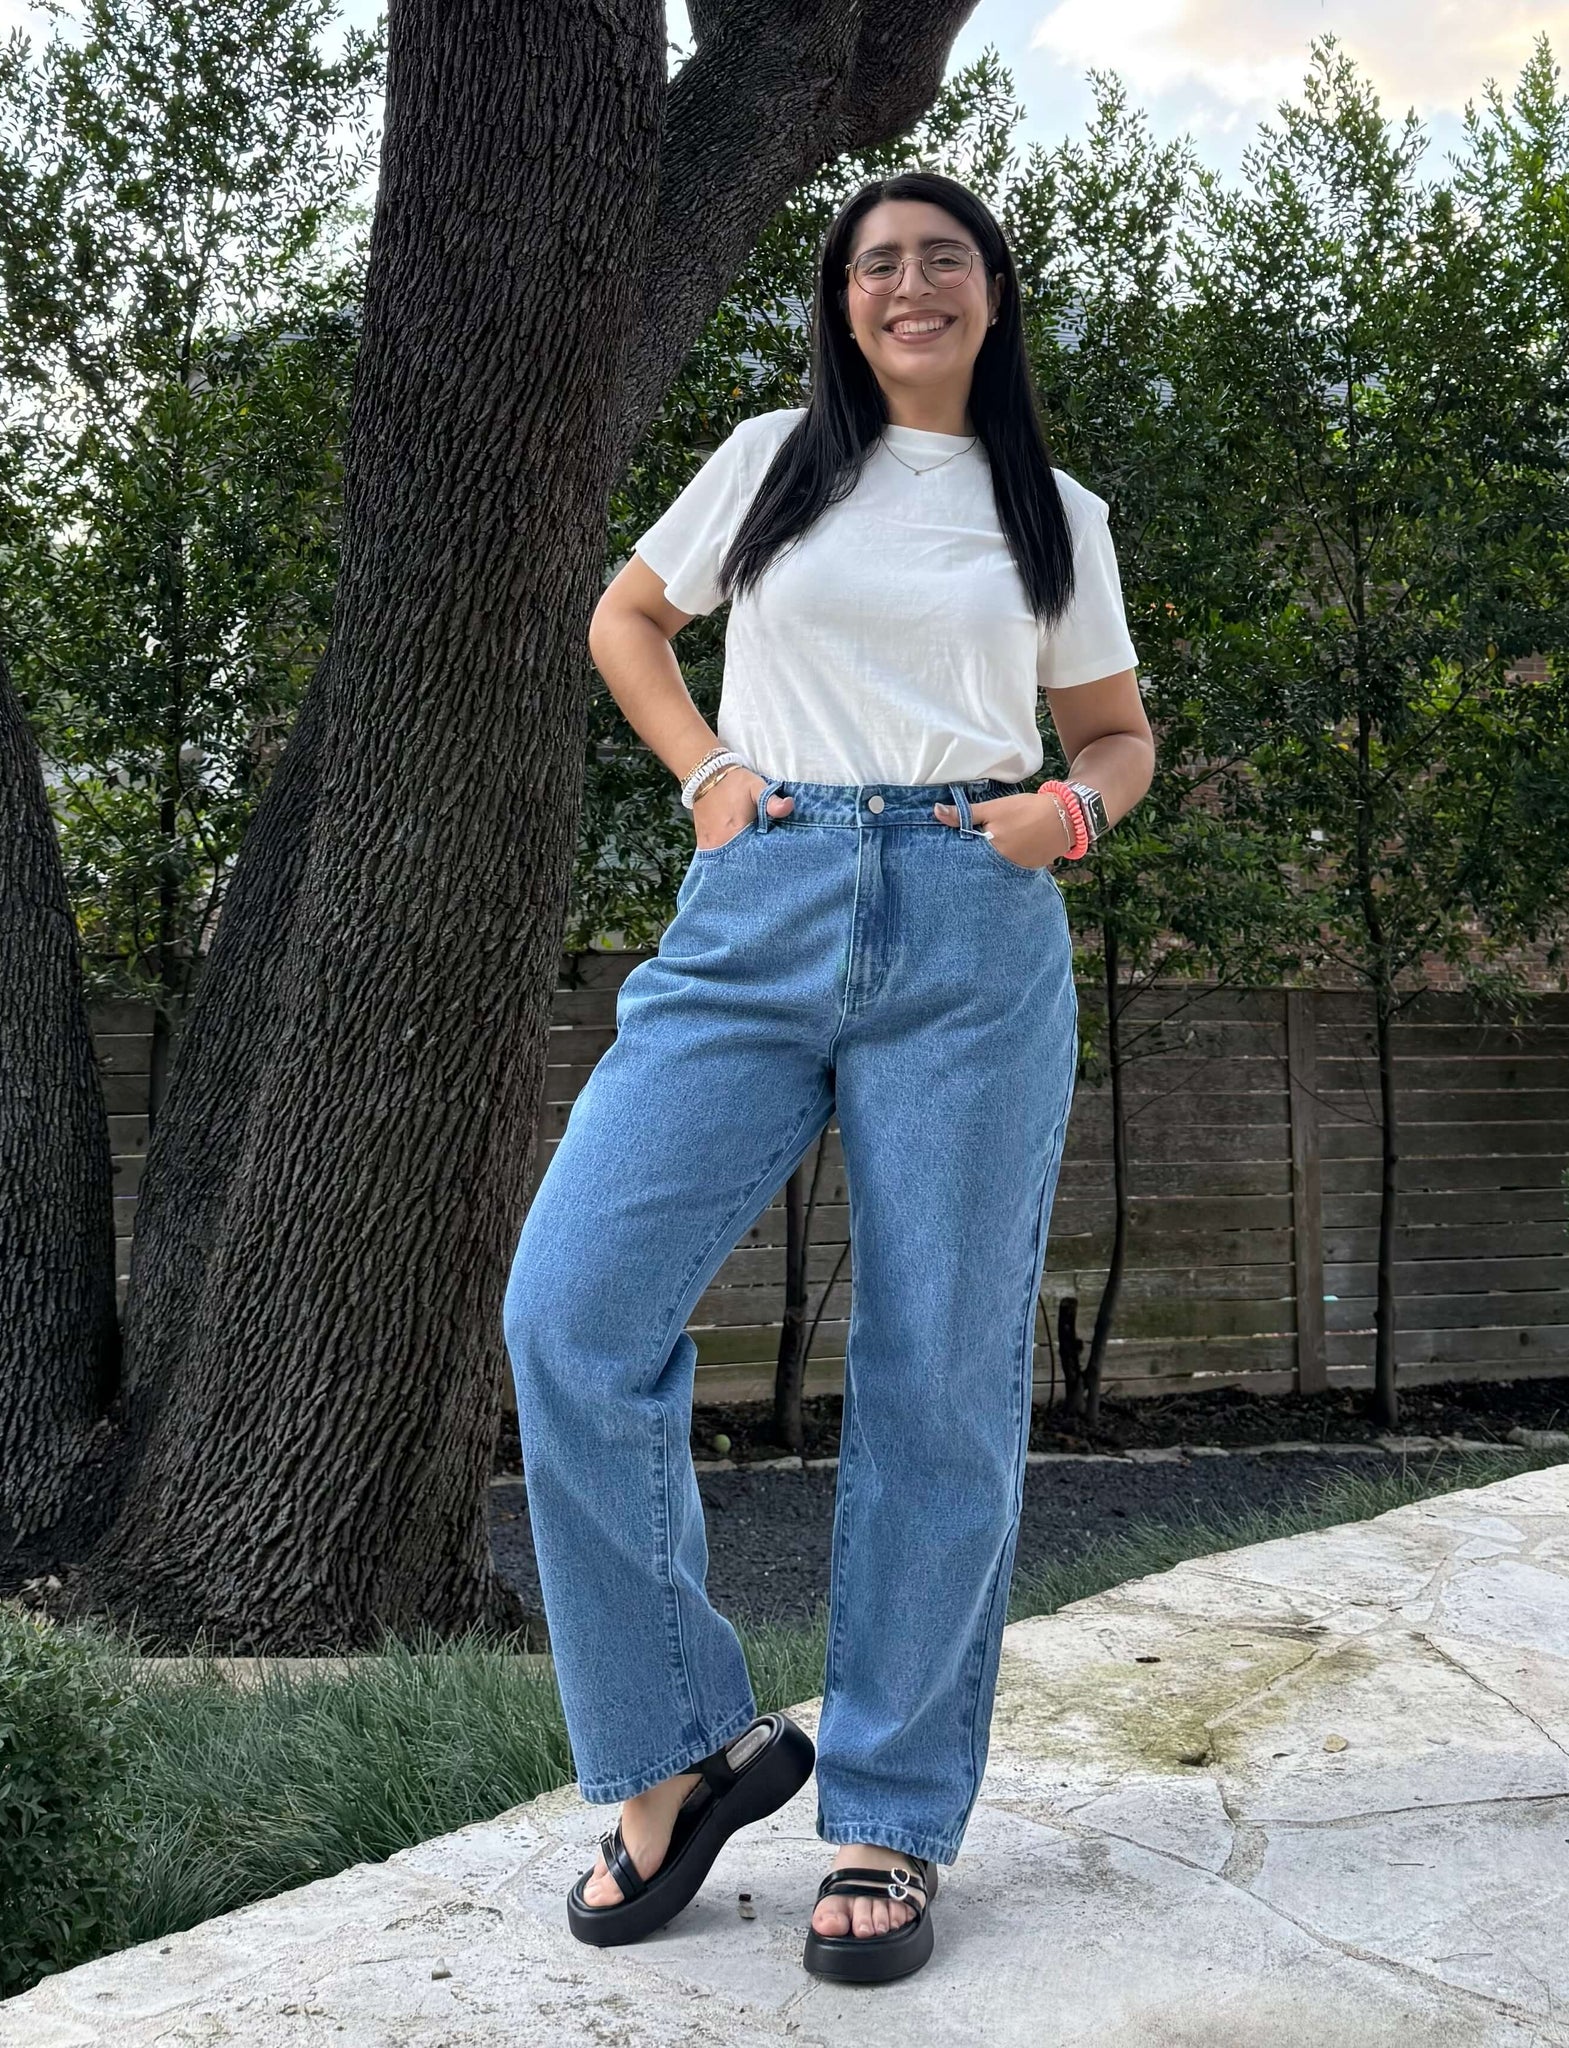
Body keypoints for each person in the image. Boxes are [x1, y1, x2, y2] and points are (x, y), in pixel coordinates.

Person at [502, 168, 1156, 1985]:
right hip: (760, 904)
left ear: (993, 293)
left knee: (940, 1371)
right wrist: (710, 774)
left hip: (972, 924)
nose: (909, 284)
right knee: (571, 1309)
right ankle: (681, 1749)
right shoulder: (773, 459)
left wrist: (1067, 816)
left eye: (943, 258)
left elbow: (1117, 733)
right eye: (877, 264)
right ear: (842, 301)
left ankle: (888, 1810)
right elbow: (626, 620)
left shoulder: (1054, 514)